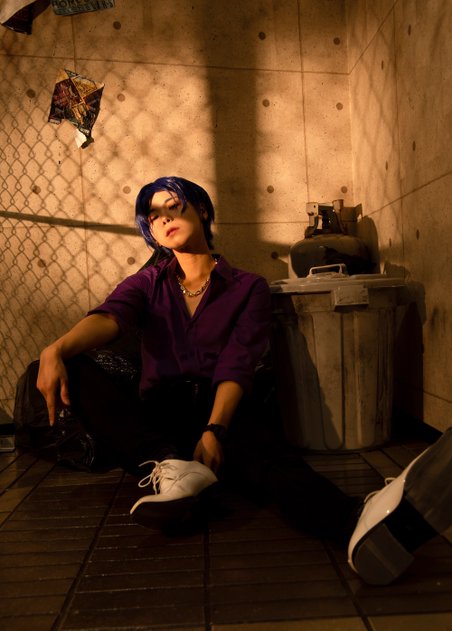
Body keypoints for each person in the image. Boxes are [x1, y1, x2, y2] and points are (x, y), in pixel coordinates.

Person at [36, 176, 452, 586]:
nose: (164, 218)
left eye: (173, 206)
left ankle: (361, 523)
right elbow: (110, 318)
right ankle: (171, 467)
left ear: (201, 209)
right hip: (158, 419)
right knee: (74, 364)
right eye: (153, 215)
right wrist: (55, 350)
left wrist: (215, 430)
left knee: (271, 464)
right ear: (151, 231)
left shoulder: (248, 287)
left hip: (223, 407)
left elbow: (237, 363)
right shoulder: (147, 283)